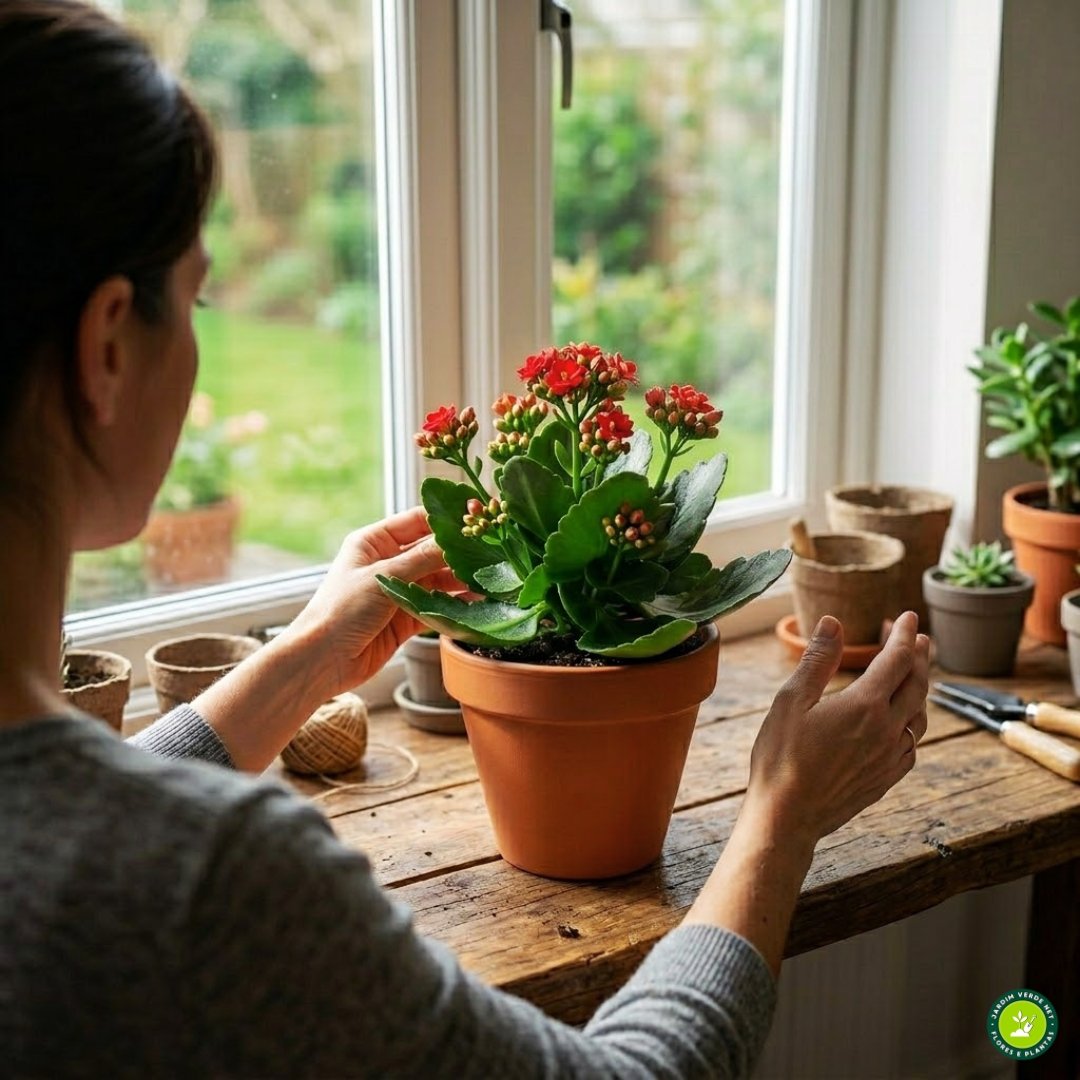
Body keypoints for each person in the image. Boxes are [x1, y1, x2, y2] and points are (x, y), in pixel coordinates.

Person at [0, 3, 930, 1076]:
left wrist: (304, 659)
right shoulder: (217, 883)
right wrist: (779, 816)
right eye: (199, 298)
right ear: (109, 346)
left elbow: (72, 812)